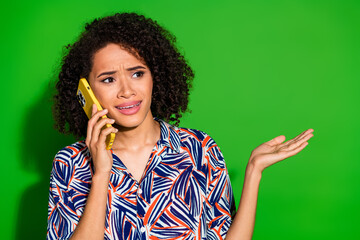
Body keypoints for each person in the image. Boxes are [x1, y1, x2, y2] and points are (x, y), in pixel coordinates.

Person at [47, 12, 313, 240]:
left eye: (137, 73)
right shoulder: (69, 163)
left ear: (156, 76)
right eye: (108, 80)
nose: (127, 91)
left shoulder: (200, 149)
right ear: (86, 90)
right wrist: (101, 173)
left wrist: (254, 171)